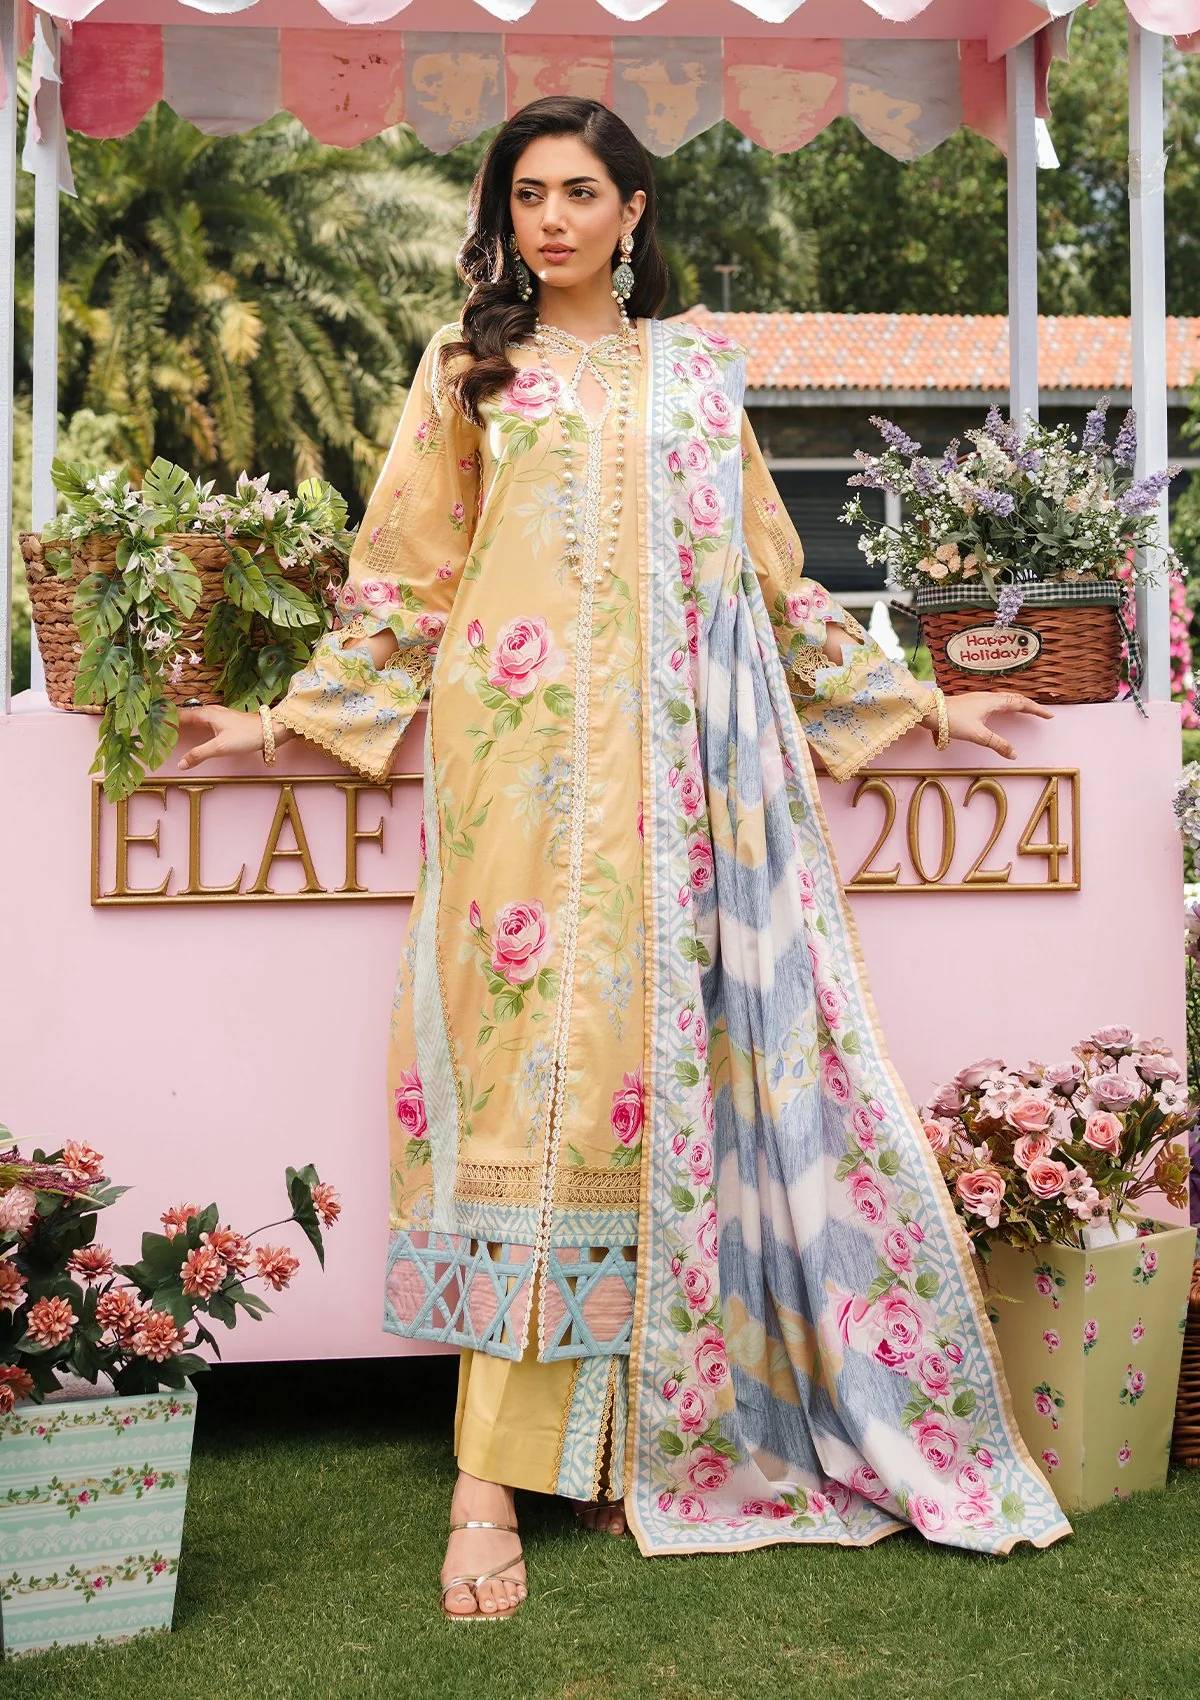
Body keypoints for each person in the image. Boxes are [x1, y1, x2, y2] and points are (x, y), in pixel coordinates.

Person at [178, 96, 1070, 1622]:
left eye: (580, 192)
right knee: (530, 1099)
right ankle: (486, 1478)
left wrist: (921, 701)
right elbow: (404, 580)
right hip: (515, 780)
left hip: (679, 790)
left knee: (641, 1092)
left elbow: (774, 584)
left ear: (634, 209)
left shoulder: (699, 375)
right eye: (528, 195)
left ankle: (611, 1441)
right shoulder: (469, 370)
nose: (552, 220)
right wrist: (281, 722)